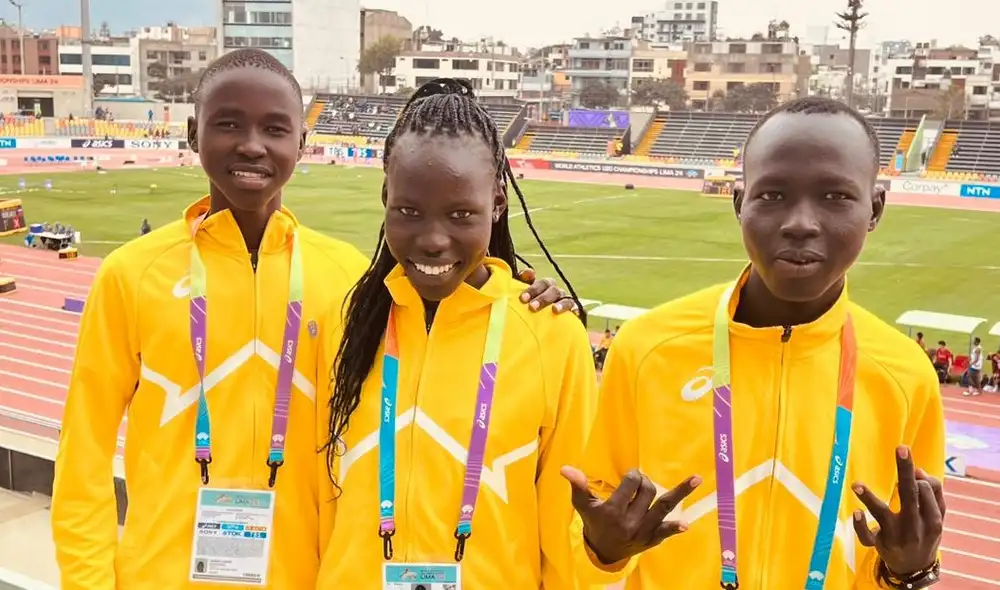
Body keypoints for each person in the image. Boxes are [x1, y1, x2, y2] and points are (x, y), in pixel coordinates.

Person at [50, 52, 570, 590]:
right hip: (160, 576)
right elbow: (83, 452)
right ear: (192, 132)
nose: (252, 144)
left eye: (274, 129)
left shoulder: (350, 281)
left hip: (306, 575)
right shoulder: (131, 274)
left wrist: (514, 291)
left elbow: (444, 355)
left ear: (301, 143)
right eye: (228, 123)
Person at [563, 97, 945, 590]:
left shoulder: (904, 374)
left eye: (835, 197)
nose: (801, 223)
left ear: (875, 209)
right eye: (773, 195)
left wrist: (908, 573)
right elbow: (588, 540)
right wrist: (602, 554)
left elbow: (911, 555)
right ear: (739, 202)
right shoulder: (647, 348)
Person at [315, 79, 597, 589]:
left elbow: (566, 525)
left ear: (497, 203)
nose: (433, 239)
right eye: (408, 212)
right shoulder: (345, 320)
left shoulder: (551, 335)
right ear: (385, 197)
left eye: (461, 215)